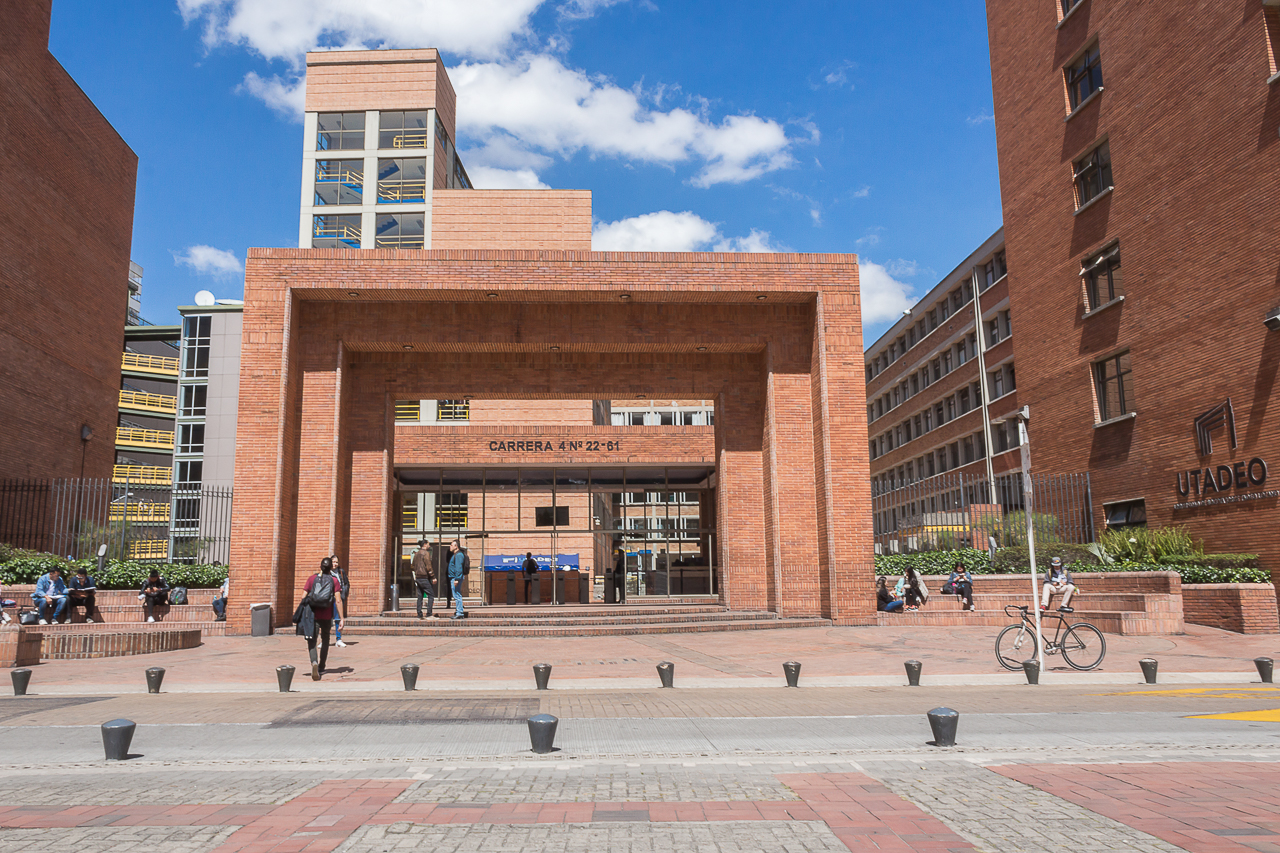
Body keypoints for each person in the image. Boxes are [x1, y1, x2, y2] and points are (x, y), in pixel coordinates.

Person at [298, 556, 342, 680]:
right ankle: (322, 666)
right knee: (326, 640)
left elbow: (303, 597)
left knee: (312, 640)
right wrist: (342, 618)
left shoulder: (312, 579)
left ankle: (314, 662)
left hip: (313, 615)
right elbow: (338, 600)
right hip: (327, 616)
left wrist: (302, 612)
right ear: (331, 568)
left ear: (321, 567)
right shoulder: (334, 580)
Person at [412, 541, 435, 619]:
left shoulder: (416, 554)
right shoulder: (426, 553)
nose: (429, 545)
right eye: (428, 544)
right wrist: (433, 577)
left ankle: (419, 613)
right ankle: (429, 613)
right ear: (425, 545)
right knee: (431, 595)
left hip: (418, 577)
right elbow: (429, 566)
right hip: (424, 577)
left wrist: (416, 571)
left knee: (420, 596)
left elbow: (412, 566)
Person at [331, 555, 349, 647]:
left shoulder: (341, 572)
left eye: (336, 562)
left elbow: (346, 583)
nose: (335, 564)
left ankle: (339, 639)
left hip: (338, 599)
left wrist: (344, 593)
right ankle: (324, 639)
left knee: (338, 619)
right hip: (329, 599)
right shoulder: (327, 573)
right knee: (326, 620)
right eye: (333, 562)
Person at [447, 539, 467, 620]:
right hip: (455, 577)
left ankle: (459, 613)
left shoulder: (458, 555)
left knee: (457, 595)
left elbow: (458, 568)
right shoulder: (456, 555)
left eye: (452, 545)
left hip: (456, 578)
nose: (450, 546)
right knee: (456, 594)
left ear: (456, 546)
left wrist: (457, 579)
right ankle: (459, 612)